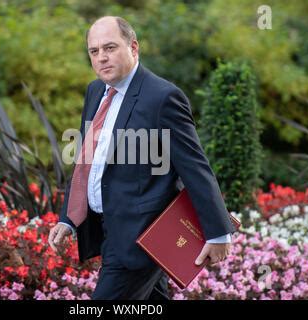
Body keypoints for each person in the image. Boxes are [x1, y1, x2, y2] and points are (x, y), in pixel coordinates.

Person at [48, 16, 235, 300]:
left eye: (110, 48)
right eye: (94, 51)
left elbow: (195, 167)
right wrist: (69, 219)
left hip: (142, 239)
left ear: (133, 47)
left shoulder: (163, 97)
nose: (101, 58)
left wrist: (218, 233)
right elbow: (88, 161)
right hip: (107, 229)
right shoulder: (95, 90)